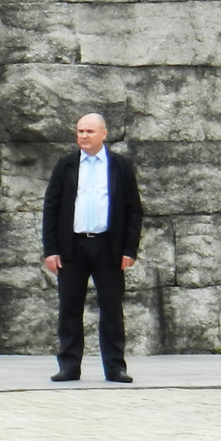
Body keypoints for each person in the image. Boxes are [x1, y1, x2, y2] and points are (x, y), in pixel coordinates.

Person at [42, 113, 143, 384]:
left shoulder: (120, 166)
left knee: (111, 308)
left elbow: (134, 210)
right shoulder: (65, 166)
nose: (83, 136)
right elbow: (51, 208)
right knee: (69, 308)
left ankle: (114, 367)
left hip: (107, 246)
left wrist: (129, 250)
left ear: (103, 134)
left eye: (89, 131)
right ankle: (69, 365)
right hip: (72, 246)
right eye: (79, 131)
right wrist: (50, 249)